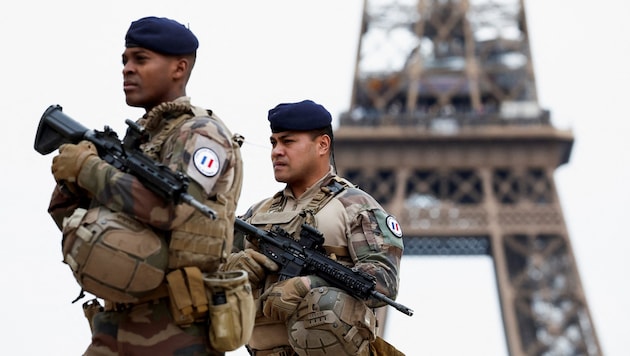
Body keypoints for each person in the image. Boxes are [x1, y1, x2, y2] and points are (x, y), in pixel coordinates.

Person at [47, 16, 244, 355]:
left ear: (179, 68)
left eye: (141, 59)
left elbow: (172, 209)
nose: (127, 69)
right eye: (125, 60)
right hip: (113, 321)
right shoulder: (138, 139)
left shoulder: (202, 134)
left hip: (176, 327)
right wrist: (71, 179)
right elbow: (69, 217)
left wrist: (89, 169)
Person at [221, 99, 405, 356]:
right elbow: (210, 269)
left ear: (322, 145)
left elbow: (382, 284)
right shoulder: (258, 213)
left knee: (326, 304)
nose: (276, 151)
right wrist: (235, 268)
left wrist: (307, 284)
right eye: (274, 142)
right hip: (264, 351)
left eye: (288, 141)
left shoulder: (355, 206)